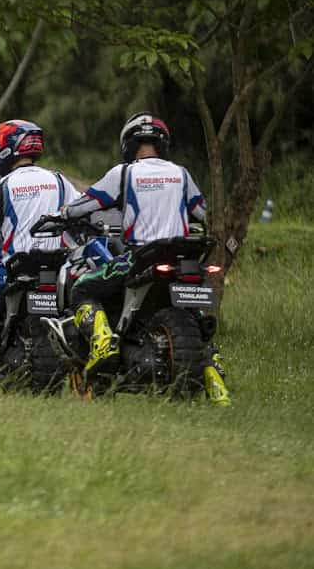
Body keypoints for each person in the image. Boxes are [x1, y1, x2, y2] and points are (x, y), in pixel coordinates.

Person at [59, 112, 228, 404]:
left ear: (128, 143)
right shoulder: (182, 174)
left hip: (138, 257)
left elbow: (84, 205)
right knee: (193, 315)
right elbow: (203, 213)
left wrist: (63, 213)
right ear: (163, 144)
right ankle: (215, 377)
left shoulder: (123, 173)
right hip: (182, 259)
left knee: (83, 289)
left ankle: (102, 342)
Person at [0, 120, 78, 375]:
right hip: (56, 266)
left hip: (15, 266)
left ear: (6, 148)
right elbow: (78, 211)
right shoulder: (59, 180)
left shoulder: (2, 185)